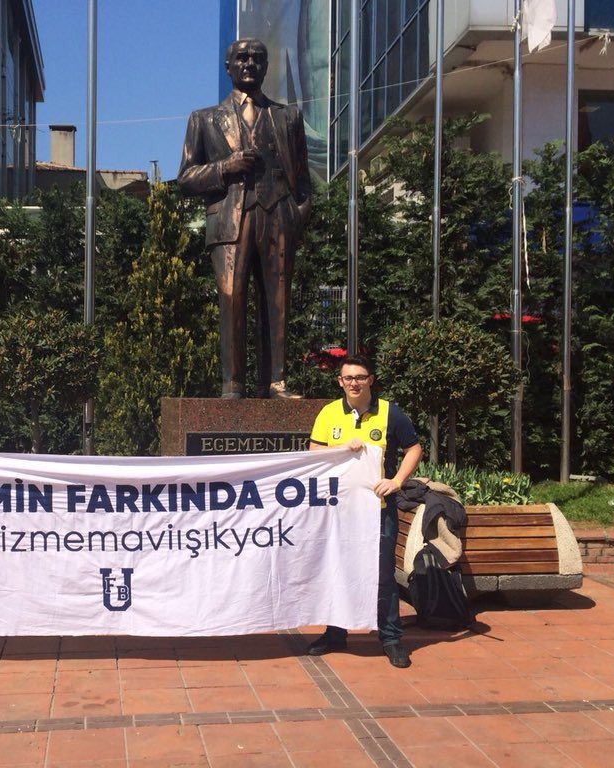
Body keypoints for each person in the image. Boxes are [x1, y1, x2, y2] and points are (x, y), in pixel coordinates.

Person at [178, 38, 312, 399]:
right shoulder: (204, 118)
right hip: (229, 220)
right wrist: (226, 167)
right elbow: (186, 178)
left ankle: (276, 381)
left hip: (278, 217)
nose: (249, 63)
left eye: (257, 58)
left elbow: (303, 180)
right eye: (242, 58)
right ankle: (232, 384)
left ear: (266, 66)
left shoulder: (288, 117)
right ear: (229, 67)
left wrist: (296, 217)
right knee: (231, 299)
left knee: (277, 301)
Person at [307, 356, 423, 668]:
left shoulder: (389, 413)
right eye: (348, 378)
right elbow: (314, 451)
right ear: (340, 382)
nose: (354, 383)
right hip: (338, 511)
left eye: (360, 377)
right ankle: (335, 633)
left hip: (378, 511)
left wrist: (396, 481)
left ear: (370, 379)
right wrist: (342, 448)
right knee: (337, 569)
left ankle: (391, 638)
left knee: (383, 574)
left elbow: (414, 448)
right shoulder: (329, 412)